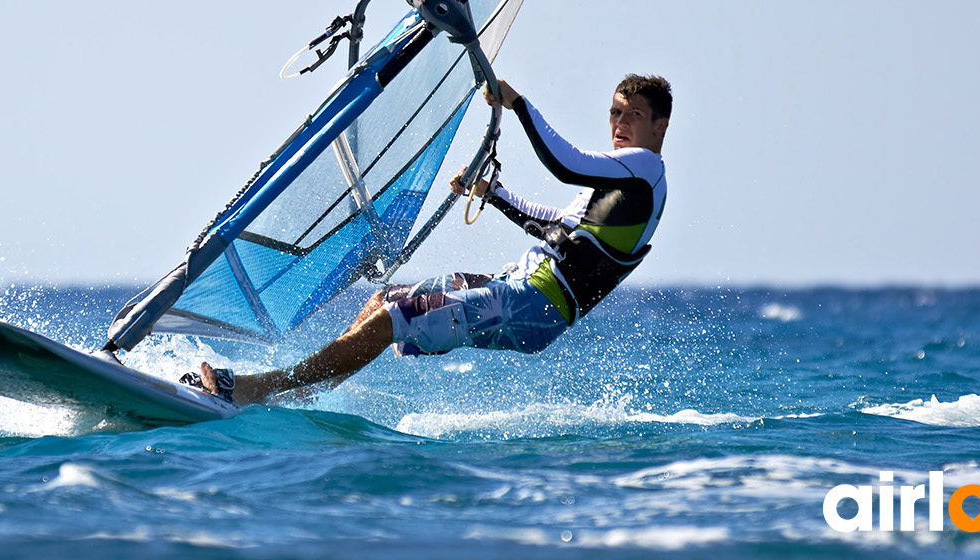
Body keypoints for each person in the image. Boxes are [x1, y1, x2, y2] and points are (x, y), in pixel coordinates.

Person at [187, 73, 673, 405]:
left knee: (392, 321)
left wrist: (518, 104)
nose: (620, 124)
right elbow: (557, 229)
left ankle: (259, 389)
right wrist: (494, 193)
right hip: (521, 288)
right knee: (386, 302)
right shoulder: (624, 179)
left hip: (535, 304)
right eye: (615, 113)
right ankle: (302, 389)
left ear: (660, 126)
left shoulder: (645, 169)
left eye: (633, 116)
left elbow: (565, 164)